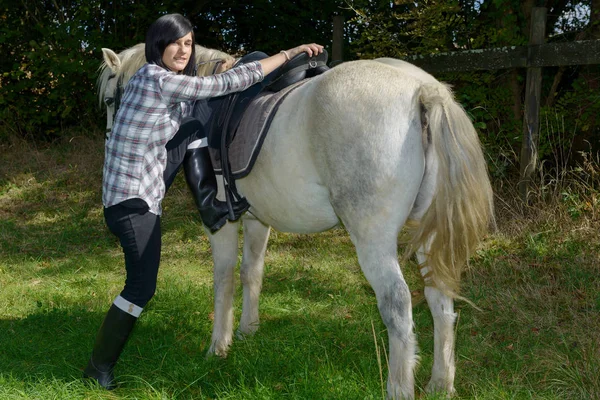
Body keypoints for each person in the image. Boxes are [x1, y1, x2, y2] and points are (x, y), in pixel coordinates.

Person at [83, 13, 323, 390]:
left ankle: (211, 204)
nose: (182, 50)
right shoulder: (153, 78)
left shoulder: (160, 85)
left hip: (133, 196)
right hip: (132, 204)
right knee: (141, 288)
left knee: (194, 124)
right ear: (157, 45)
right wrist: (285, 53)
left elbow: (196, 110)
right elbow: (226, 84)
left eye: (189, 43)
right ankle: (98, 369)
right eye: (175, 42)